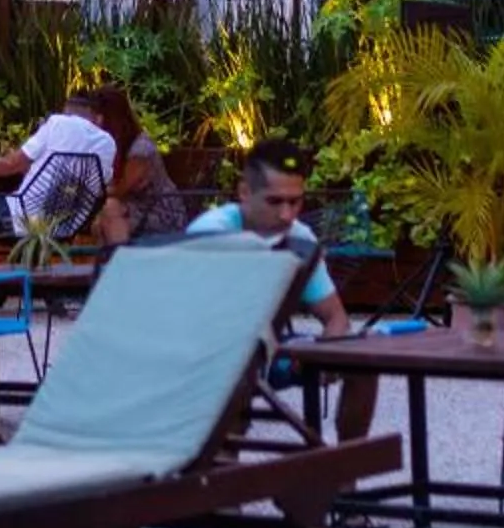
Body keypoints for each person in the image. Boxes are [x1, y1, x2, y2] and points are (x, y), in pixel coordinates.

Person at [146, 141, 377, 441]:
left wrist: (327, 353)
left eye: (296, 202)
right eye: (275, 202)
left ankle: (347, 475)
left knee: (363, 359)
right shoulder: (213, 235)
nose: (287, 215)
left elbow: (336, 318)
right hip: (202, 359)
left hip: (268, 352)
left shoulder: (299, 238)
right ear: (244, 193)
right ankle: (222, 468)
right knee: (233, 370)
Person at [0, 90, 120, 237]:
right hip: (65, 228)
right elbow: (98, 190)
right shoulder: (108, 143)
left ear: (66, 111)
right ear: (97, 118)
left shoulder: (58, 123)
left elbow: (12, 164)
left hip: (19, 221)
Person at [88, 84, 188, 244]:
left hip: (160, 211)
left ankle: (122, 260)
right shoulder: (115, 146)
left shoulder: (140, 149)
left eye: (95, 116)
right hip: (134, 208)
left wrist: (90, 192)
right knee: (99, 221)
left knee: (109, 208)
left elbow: (121, 189)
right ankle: (111, 260)